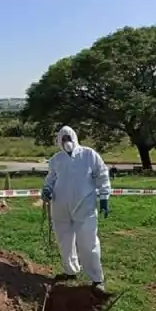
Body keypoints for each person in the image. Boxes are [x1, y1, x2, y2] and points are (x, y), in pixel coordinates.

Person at [41, 126, 111, 294]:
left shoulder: (89, 155)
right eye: (63, 139)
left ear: (74, 137)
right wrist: (46, 190)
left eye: (68, 138)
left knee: (88, 242)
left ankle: (96, 279)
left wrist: (104, 198)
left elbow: (102, 175)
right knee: (65, 241)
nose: (66, 142)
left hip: (84, 206)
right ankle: (70, 270)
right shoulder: (56, 159)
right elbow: (51, 178)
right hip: (60, 207)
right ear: (59, 141)